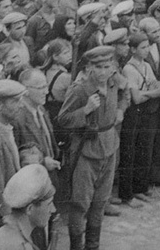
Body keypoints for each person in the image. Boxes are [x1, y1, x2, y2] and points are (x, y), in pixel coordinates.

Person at [56, 46, 121, 250]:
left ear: (112, 67)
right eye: (98, 67)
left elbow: (124, 95)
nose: (103, 72)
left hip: (109, 146)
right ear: (90, 67)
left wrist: (121, 110)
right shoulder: (80, 89)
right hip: (86, 150)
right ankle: (76, 246)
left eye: (106, 66)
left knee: (100, 201)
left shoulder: (113, 82)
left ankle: (92, 245)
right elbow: (63, 119)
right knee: (80, 203)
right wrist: (85, 110)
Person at [0, 164, 56, 250]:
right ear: (29, 209)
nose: (53, 210)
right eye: (49, 204)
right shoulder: (15, 245)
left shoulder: (11, 236)